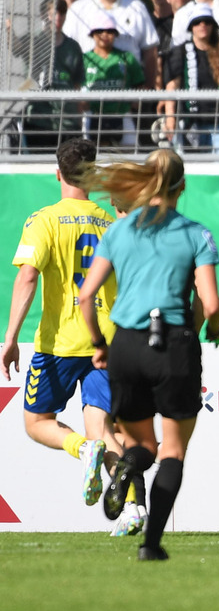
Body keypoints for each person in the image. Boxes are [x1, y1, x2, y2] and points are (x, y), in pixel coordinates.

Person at [78, 148, 219, 561]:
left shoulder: (120, 231)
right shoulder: (196, 232)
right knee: (173, 451)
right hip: (173, 343)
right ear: (183, 186)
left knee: (141, 443)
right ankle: (151, 544)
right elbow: (210, 303)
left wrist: (99, 345)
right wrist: (213, 328)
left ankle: (126, 466)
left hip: (125, 345)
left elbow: (86, 297)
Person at [1, 139, 123, 521]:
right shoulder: (112, 224)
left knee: (37, 423)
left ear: (57, 174)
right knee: (103, 430)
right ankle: (134, 505)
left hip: (59, 343)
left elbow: (28, 277)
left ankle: (81, 450)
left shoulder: (45, 219)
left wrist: (10, 339)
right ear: (93, 175)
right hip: (106, 342)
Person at [64, 0, 160, 90]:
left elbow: (150, 52)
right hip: (87, 96)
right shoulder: (77, 9)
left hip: (128, 97)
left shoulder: (137, 7)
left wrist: (147, 88)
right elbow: (67, 51)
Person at [162, 4, 219, 153]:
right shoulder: (180, 52)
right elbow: (172, 87)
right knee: (190, 167)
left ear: (213, 26)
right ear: (191, 27)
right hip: (191, 121)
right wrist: (170, 117)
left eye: (207, 22)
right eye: (197, 22)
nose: (202, 25)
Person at [18, 0, 85, 153]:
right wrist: (8, 31)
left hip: (67, 121)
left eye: (62, 13)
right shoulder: (34, 41)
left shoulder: (73, 47)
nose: (58, 18)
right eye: (53, 13)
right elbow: (17, 48)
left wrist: (79, 118)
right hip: (39, 120)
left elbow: (77, 85)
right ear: (43, 16)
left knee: (68, 166)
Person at [81, 12, 146, 148]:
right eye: (100, 31)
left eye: (110, 31)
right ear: (92, 34)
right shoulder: (84, 59)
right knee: (92, 155)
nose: (105, 34)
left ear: (115, 34)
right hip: (92, 116)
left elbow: (139, 84)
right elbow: (77, 86)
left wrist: (134, 103)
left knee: (130, 157)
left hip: (122, 114)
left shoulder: (127, 58)